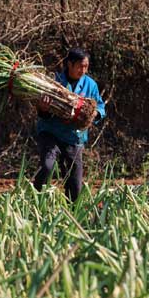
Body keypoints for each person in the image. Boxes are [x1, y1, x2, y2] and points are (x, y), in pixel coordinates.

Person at [33, 48, 106, 202]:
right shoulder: (55, 81)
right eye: (80, 66)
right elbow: (42, 113)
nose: (83, 70)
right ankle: (36, 198)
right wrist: (43, 108)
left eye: (86, 66)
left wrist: (96, 114)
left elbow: (100, 107)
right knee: (47, 166)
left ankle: (72, 214)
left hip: (74, 137)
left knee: (75, 184)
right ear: (69, 64)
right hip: (51, 132)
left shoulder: (90, 84)